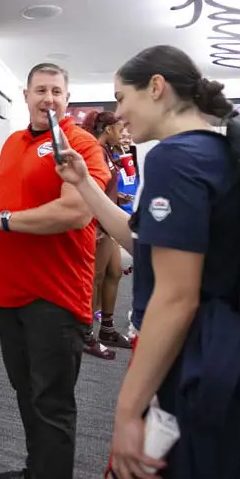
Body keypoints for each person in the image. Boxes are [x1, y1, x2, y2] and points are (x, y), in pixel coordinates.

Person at [55, 45, 240, 479]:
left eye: (121, 98)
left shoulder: (174, 159)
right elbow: (147, 243)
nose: (117, 113)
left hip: (189, 358)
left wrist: (126, 410)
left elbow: (176, 298)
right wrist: (84, 183)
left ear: (156, 87)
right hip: (228, 356)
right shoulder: (219, 151)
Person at [0, 62, 110, 479]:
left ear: (67, 99)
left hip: (56, 295)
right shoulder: (14, 142)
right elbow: (2, 187)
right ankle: (38, 470)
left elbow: (73, 212)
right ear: (26, 95)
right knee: (25, 392)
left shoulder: (81, 145)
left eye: (56, 91)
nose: (48, 99)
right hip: (9, 291)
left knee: (51, 402)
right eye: (40, 90)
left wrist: (0, 221)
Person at [82, 111, 132, 358]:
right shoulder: (95, 152)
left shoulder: (109, 153)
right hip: (97, 225)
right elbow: (90, 191)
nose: (122, 133)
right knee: (95, 280)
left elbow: (105, 188)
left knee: (114, 272)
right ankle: (86, 335)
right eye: (119, 129)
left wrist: (118, 197)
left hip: (109, 224)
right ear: (108, 129)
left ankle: (107, 329)